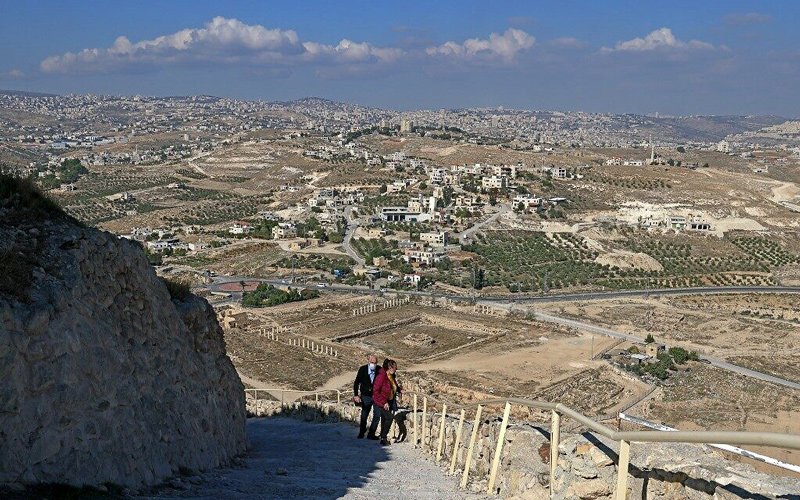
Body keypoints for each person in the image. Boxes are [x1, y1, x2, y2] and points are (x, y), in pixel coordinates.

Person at [353, 354, 381, 439]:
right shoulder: (363, 369)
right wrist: (356, 395)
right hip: (365, 396)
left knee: (377, 414)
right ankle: (362, 432)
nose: (374, 364)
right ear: (368, 361)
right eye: (372, 362)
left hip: (376, 396)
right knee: (364, 415)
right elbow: (356, 382)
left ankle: (371, 434)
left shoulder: (379, 369)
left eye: (375, 362)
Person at [372, 358, 398, 446]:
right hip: (380, 401)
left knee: (385, 418)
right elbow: (375, 391)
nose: (396, 370)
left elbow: (394, 385)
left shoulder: (390, 376)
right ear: (390, 368)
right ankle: (383, 437)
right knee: (389, 417)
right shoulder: (381, 376)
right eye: (395, 368)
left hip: (388, 400)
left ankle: (383, 438)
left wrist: (399, 390)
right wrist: (384, 402)